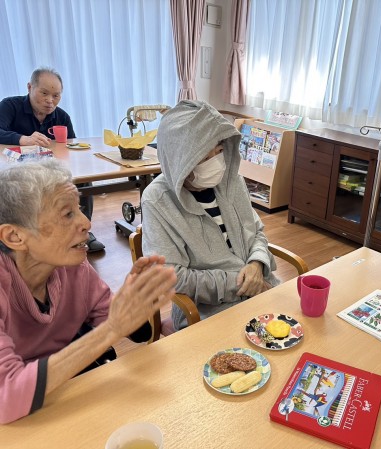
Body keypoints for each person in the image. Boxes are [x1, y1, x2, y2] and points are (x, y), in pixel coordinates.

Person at [0, 159, 177, 424]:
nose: (86, 222)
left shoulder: (74, 269)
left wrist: (137, 300)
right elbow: (6, 397)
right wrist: (111, 329)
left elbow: (131, 330)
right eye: (67, 214)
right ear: (14, 237)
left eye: (80, 209)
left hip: (66, 394)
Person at [141, 100, 280, 330]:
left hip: (260, 289)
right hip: (208, 311)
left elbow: (256, 232)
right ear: (179, 160)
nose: (216, 163)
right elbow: (170, 277)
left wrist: (256, 264)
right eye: (205, 158)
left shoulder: (232, 180)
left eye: (220, 151)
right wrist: (240, 283)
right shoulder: (157, 201)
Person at [0, 67, 105, 252]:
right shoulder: (10, 106)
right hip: (17, 171)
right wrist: (22, 139)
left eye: (56, 96)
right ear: (30, 87)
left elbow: (72, 145)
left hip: (52, 169)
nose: (50, 100)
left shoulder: (61, 116)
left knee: (83, 180)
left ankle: (82, 232)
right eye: (44, 93)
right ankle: (19, 237)